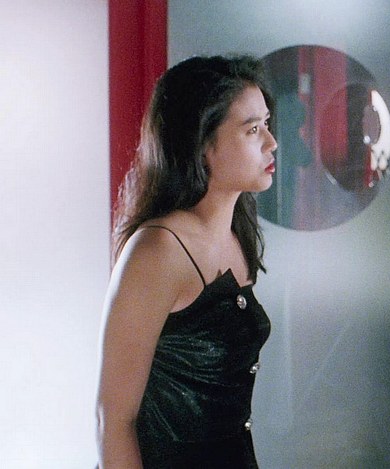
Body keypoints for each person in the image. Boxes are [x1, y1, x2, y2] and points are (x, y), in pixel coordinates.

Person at [96, 55, 278, 468]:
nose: (271, 142)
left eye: (266, 124)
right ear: (202, 145)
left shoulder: (237, 233)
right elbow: (113, 421)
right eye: (252, 129)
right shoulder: (157, 250)